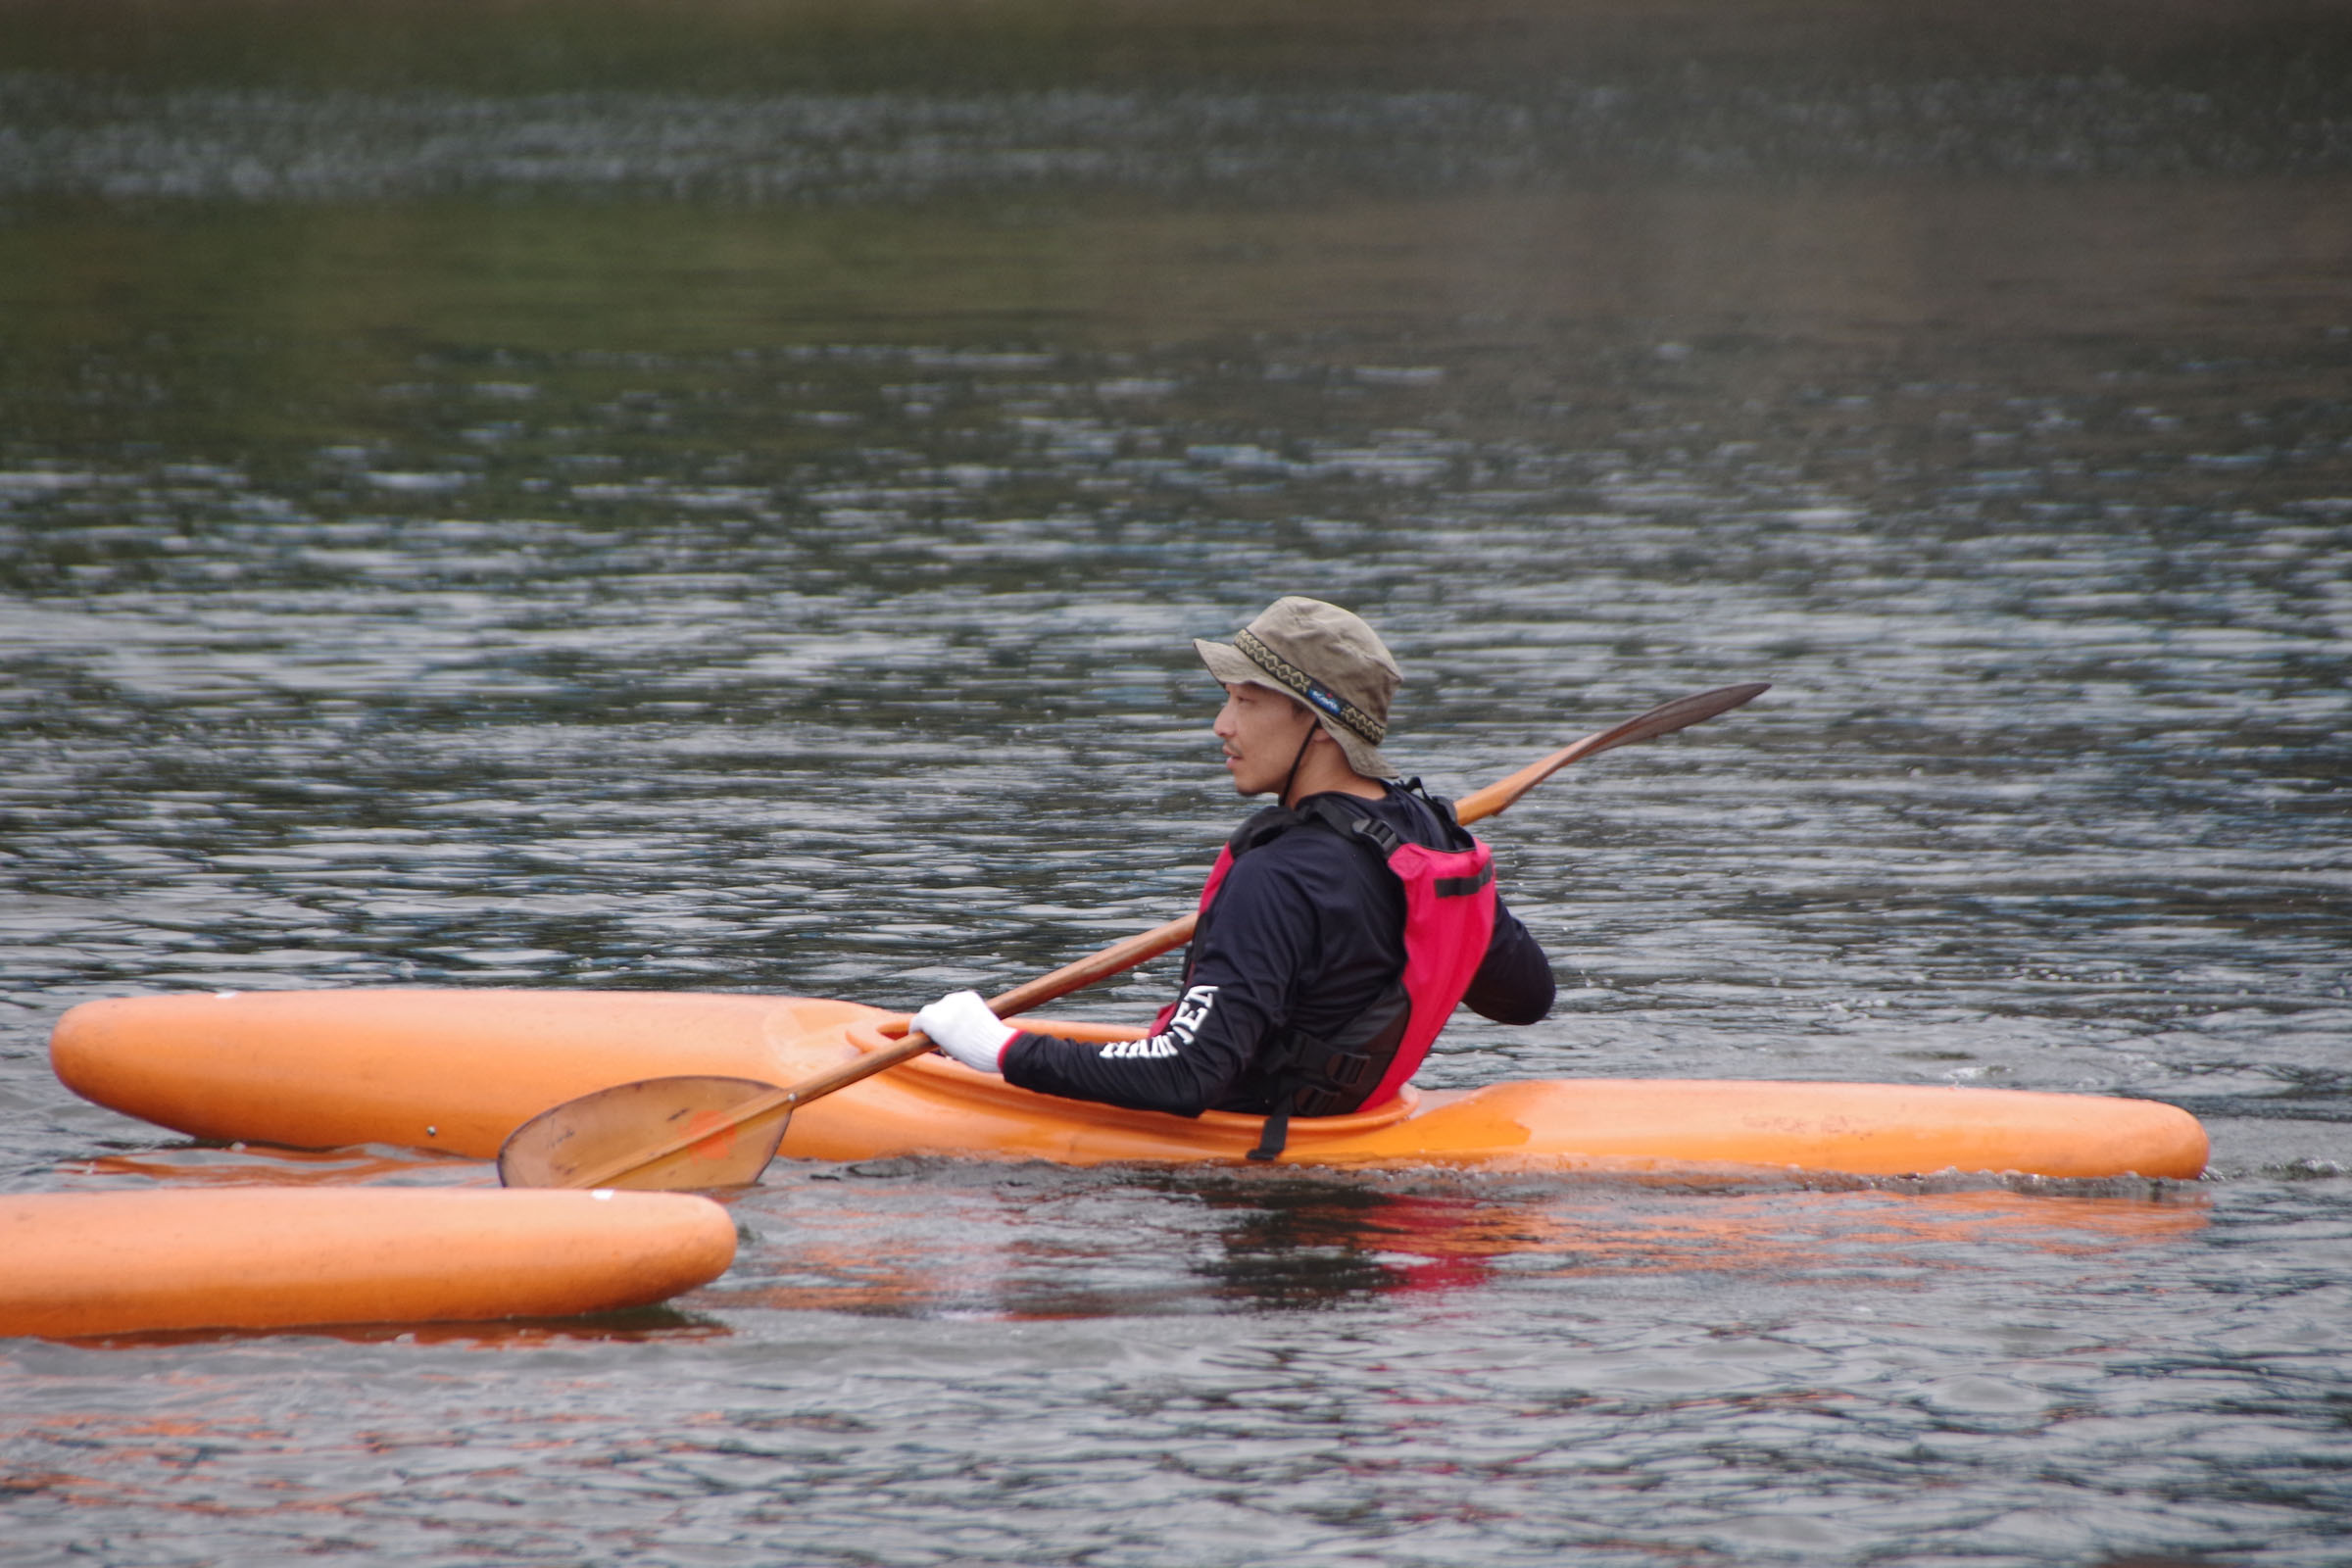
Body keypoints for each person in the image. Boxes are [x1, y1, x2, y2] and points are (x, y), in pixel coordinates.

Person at [912, 596, 1555, 1157]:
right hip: (1352, 1139)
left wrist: (995, 1049)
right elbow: (1527, 997)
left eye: (1247, 701)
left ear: (1319, 724)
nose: (1222, 725)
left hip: (1256, 1177)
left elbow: (1185, 1074)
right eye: (1228, 699)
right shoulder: (1432, 839)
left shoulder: (1276, 878)